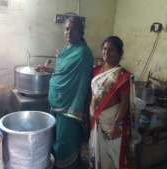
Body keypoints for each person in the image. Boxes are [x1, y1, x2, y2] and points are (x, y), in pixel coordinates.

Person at [38, 16, 93, 169]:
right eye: (67, 29)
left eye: (73, 29)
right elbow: (63, 70)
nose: (69, 32)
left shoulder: (84, 53)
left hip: (69, 107)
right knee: (55, 138)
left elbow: (83, 82)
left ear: (81, 32)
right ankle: (57, 164)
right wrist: (50, 70)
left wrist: (76, 109)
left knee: (65, 141)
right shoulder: (68, 48)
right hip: (57, 103)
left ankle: (67, 165)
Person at [89, 36, 131, 169]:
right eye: (105, 49)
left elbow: (124, 103)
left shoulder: (122, 75)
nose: (106, 52)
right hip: (95, 119)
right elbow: (93, 95)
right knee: (96, 152)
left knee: (111, 155)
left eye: (111, 50)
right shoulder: (96, 70)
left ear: (120, 53)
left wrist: (116, 125)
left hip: (111, 122)